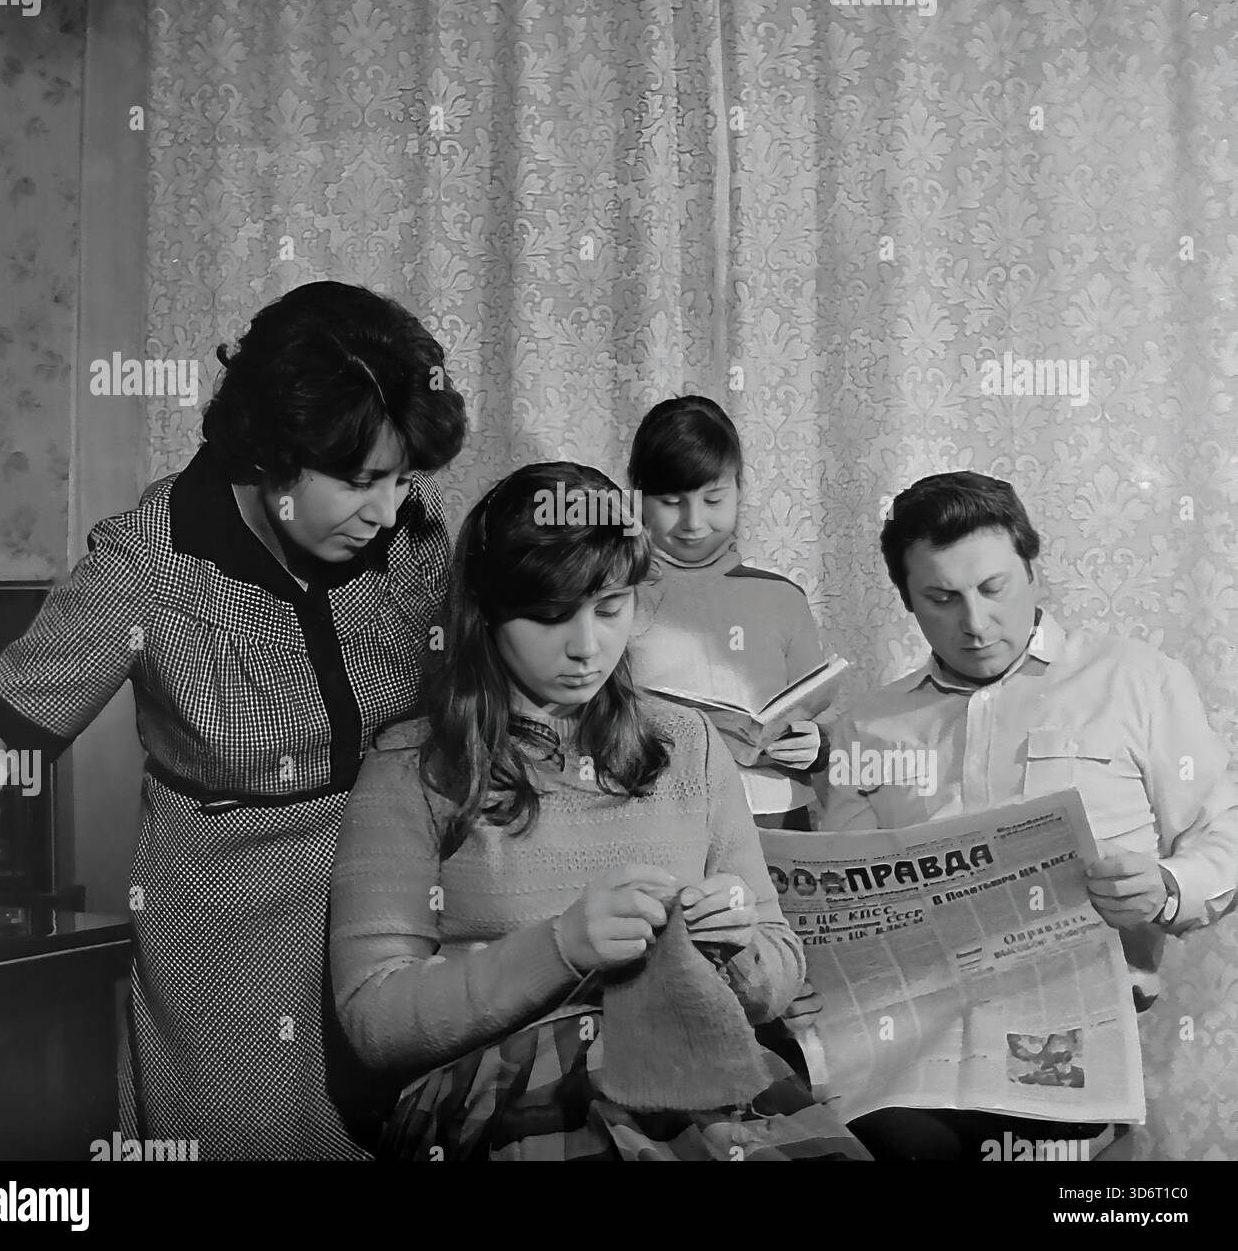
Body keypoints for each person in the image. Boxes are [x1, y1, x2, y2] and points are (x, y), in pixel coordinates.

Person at [0, 281, 467, 1159]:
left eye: (400, 477)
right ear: (269, 450)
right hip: (230, 964)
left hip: (395, 925)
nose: (384, 509)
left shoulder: (406, 532)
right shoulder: (152, 559)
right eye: (360, 480)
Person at [328, 462, 868, 1160]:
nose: (586, 647)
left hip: (693, 1070)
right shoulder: (415, 765)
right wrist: (559, 947)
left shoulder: (688, 745)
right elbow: (375, 1019)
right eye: (551, 616)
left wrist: (738, 946)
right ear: (486, 612)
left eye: (609, 608)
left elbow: (775, 976)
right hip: (495, 1090)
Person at [820, 470, 1238, 1160]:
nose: (975, 623)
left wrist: (1166, 886)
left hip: (1071, 1047)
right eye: (942, 598)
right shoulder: (868, 726)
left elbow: (1225, 831)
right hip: (913, 1051)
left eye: (993, 589)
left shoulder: (1136, 681)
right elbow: (843, 909)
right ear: (908, 602)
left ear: (1032, 571)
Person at [626, 396, 833, 826]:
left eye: (714, 498)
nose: (694, 522)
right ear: (637, 497)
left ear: (740, 488)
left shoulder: (781, 597)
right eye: (671, 502)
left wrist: (817, 745)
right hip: (655, 818)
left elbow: (818, 711)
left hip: (775, 814)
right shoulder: (615, 598)